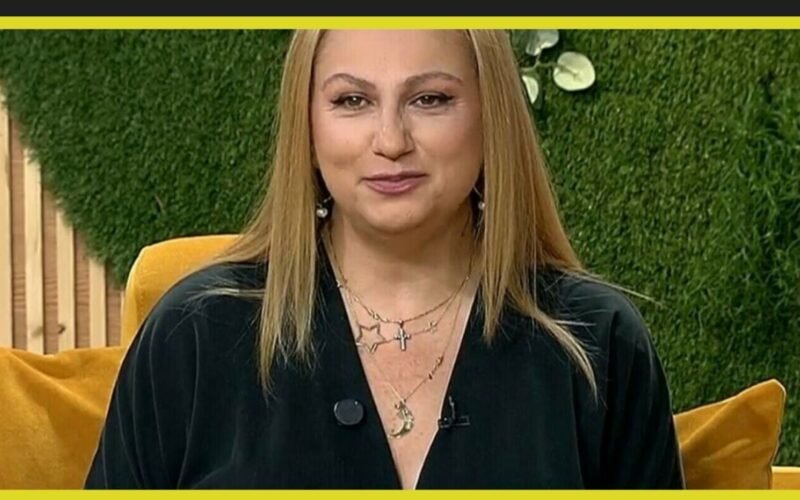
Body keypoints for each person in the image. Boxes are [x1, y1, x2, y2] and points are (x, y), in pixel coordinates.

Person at [84, 29, 686, 489]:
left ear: (491, 116)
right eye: (352, 100)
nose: (391, 140)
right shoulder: (192, 336)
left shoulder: (597, 343)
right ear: (308, 127)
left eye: (430, 98)